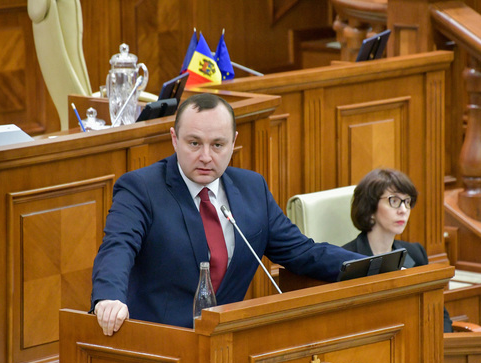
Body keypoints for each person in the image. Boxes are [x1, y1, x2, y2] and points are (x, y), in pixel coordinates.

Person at [91, 93, 363, 335]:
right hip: (161, 345)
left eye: (217, 145)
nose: (206, 156)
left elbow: (302, 252)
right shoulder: (141, 188)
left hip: (229, 342)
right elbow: (118, 246)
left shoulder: (252, 188)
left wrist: (371, 265)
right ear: (174, 139)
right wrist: (109, 297)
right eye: (194, 143)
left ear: (233, 142)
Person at [341, 168, 454, 333]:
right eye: (394, 201)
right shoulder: (347, 261)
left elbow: (437, 311)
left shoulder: (415, 253)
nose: (403, 210)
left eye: (407, 202)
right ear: (370, 208)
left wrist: (445, 341)